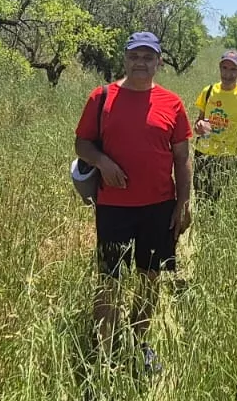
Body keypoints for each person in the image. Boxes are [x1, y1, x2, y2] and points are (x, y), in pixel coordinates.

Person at [74, 30, 192, 376]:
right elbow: (82, 144)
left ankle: (140, 344)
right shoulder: (102, 97)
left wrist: (183, 202)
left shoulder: (172, 103)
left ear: (158, 61)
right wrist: (103, 163)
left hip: (158, 207)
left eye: (148, 56)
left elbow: (182, 156)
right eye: (134, 56)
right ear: (125, 59)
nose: (140, 62)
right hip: (114, 208)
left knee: (149, 279)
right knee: (109, 279)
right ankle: (102, 354)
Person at [192, 49, 237, 206]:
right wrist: (199, 127)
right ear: (219, 68)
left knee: (229, 204)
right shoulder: (208, 92)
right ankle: (204, 229)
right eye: (224, 68)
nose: (227, 74)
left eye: (233, 69)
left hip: (232, 157)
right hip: (205, 154)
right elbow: (198, 123)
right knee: (203, 201)